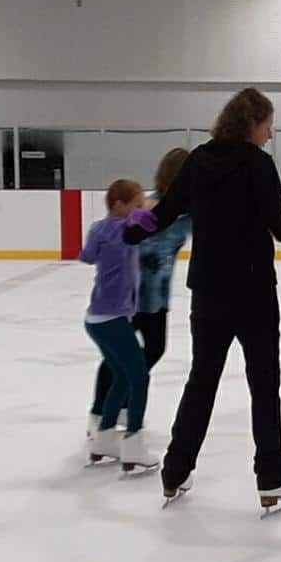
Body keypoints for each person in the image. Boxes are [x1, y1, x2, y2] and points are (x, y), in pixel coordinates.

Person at [124, 87, 281, 512]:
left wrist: (132, 231)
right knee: (264, 386)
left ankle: (174, 473)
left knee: (201, 380)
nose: (271, 133)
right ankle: (272, 480)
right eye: (268, 125)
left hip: (208, 292)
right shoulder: (259, 165)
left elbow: (163, 211)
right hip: (253, 292)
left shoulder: (198, 161)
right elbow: (278, 225)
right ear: (252, 123)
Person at [88, 148, 191, 437]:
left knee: (154, 348)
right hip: (128, 297)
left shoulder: (189, 214)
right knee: (117, 358)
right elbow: (115, 235)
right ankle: (100, 411)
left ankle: (120, 400)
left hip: (157, 298)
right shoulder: (148, 207)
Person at [81, 179, 158, 474]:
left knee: (121, 377)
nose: (140, 209)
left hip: (95, 318)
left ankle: (103, 439)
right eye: (135, 205)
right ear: (119, 206)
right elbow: (150, 223)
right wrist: (151, 209)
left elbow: (87, 256)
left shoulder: (99, 228)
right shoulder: (126, 230)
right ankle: (133, 444)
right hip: (113, 319)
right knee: (139, 377)